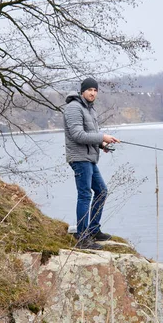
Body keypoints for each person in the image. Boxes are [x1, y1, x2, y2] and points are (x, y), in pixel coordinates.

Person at [63, 77, 120, 250]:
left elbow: (89, 134)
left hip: (89, 158)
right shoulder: (74, 107)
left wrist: (101, 144)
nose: (93, 93)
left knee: (101, 191)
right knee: (85, 195)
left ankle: (94, 229)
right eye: (90, 90)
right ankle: (82, 237)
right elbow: (78, 135)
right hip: (79, 159)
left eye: (95, 90)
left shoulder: (90, 109)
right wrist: (102, 136)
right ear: (82, 91)